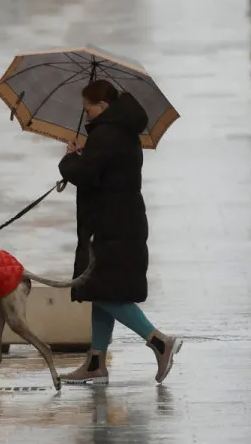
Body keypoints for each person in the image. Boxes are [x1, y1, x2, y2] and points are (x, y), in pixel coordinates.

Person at [57, 79, 183, 384]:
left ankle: (159, 341)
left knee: (102, 289)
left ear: (103, 106)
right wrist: (83, 153)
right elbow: (102, 169)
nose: (85, 113)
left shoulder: (107, 134)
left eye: (88, 107)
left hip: (108, 225)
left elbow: (87, 174)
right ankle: (95, 363)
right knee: (100, 290)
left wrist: (69, 160)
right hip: (120, 222)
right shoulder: (120, 131)